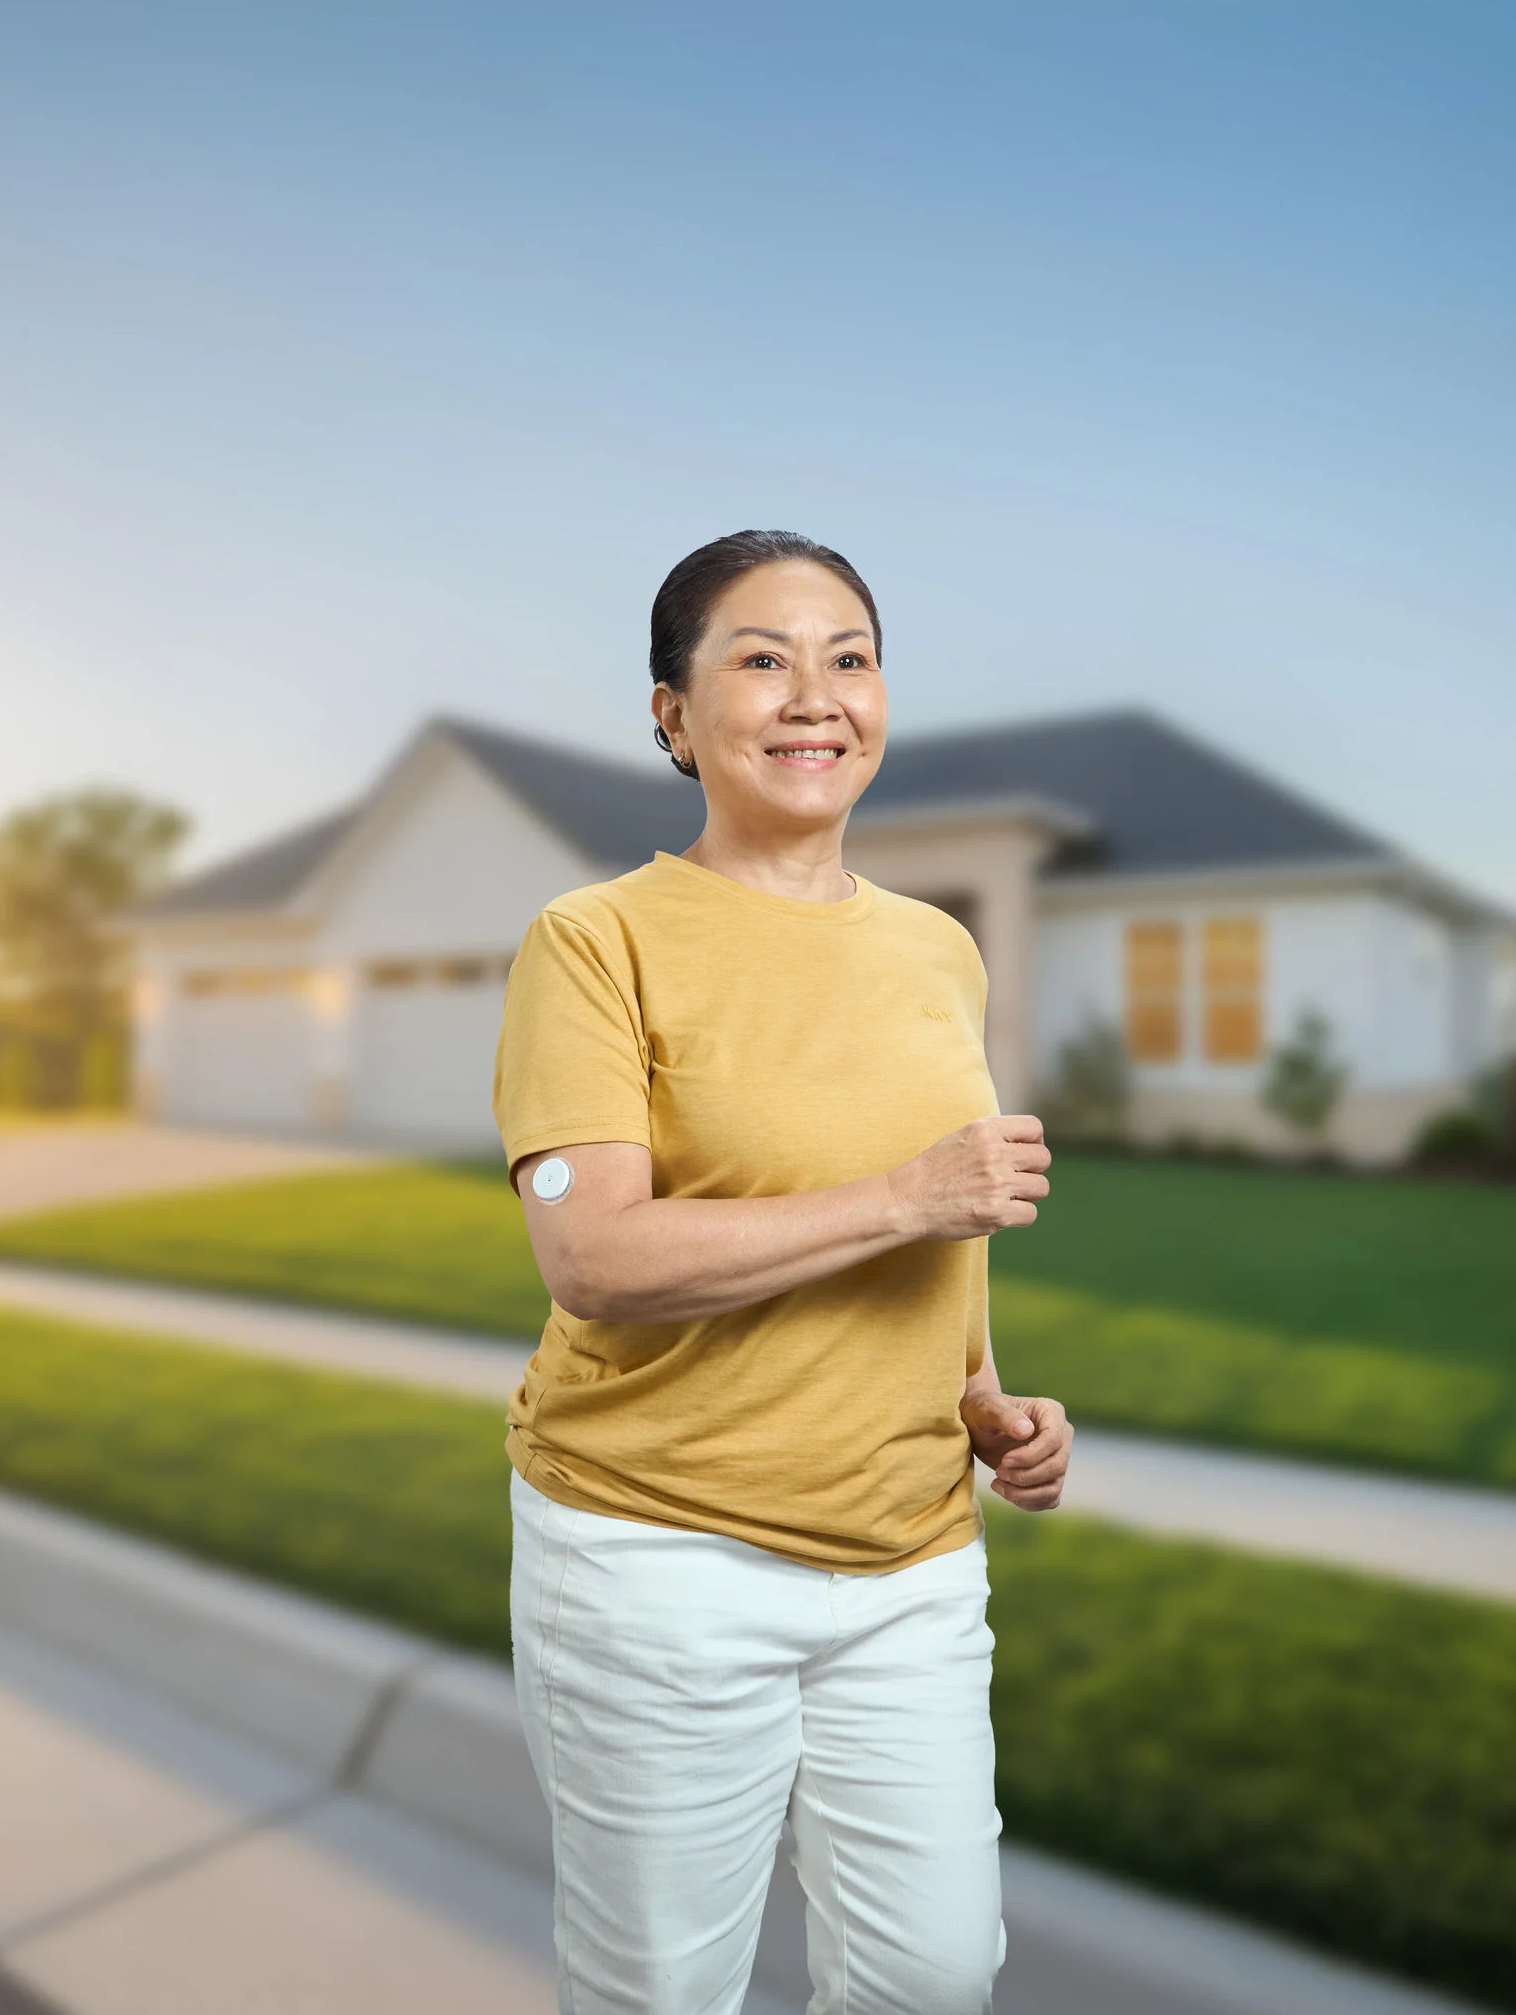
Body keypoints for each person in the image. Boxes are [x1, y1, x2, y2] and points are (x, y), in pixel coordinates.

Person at [493, 528, 1073, 2015]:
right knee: (662, 1994)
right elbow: (596, 1257)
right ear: (673, 715)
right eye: (761, 658)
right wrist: (904, 1193)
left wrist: (986, 1405)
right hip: (658, 1556)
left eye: (851, 659)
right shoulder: (593, 941)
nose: (816, 696)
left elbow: (952, 1228)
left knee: (934, 1978)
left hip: (913, 1562)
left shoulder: (941, 950)